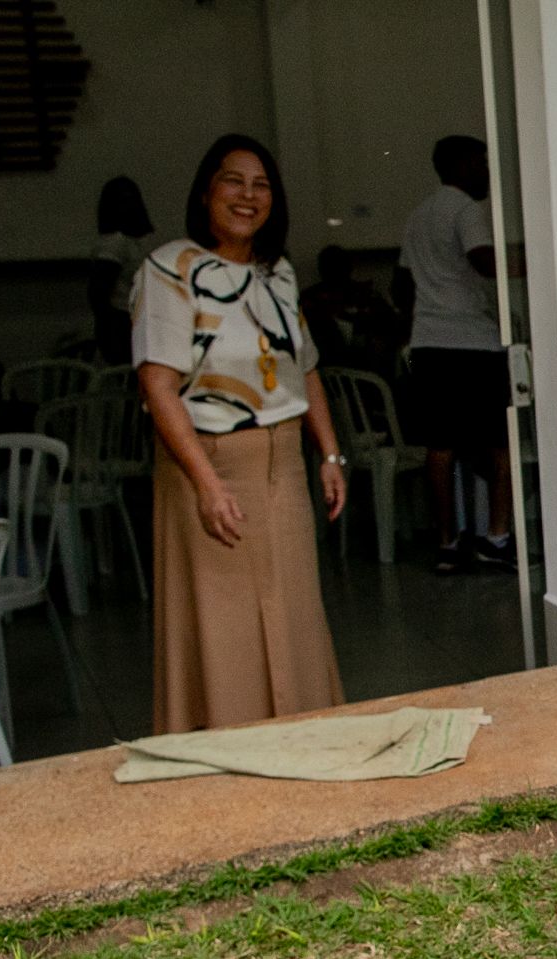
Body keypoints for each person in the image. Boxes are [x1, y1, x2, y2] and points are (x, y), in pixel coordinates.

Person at [132, 134, 348, 734]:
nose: (247, 196)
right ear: (206, 192)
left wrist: (329, 453)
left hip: (284, 474)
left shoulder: (276, 273)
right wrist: (205, 483)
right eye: (233, 181)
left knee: (294, 617)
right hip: (212, 471)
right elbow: (158, 386)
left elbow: (304, 366)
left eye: (262, 185)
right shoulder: (170, 269)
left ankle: (304, 745)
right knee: (223, 632)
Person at [393, 134, 512, 574]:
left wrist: (421, 319)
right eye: (481, 163)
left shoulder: (418, 215)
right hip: (474, 345)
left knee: (439, 448)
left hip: (429, 343)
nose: (486, 172)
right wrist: (539, 262)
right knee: (500, 444)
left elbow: (401, 284)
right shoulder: (466, 210)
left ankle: (446, 544)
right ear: (460, 166)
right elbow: (485, 263)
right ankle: (494, 538)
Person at [300, 244, 400, 371]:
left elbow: (390, 323)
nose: (335, 272)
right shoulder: (310, 299)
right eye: (331, 267)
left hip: (369, 367)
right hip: (329, 368)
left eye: (339, 266)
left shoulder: (366, 294)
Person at [89, 176, 154, 365]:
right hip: (120, 323)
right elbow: (98, 293)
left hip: (141, 319)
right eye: (123, 201)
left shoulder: (141, 241)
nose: (129, 206)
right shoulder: (113, 244)